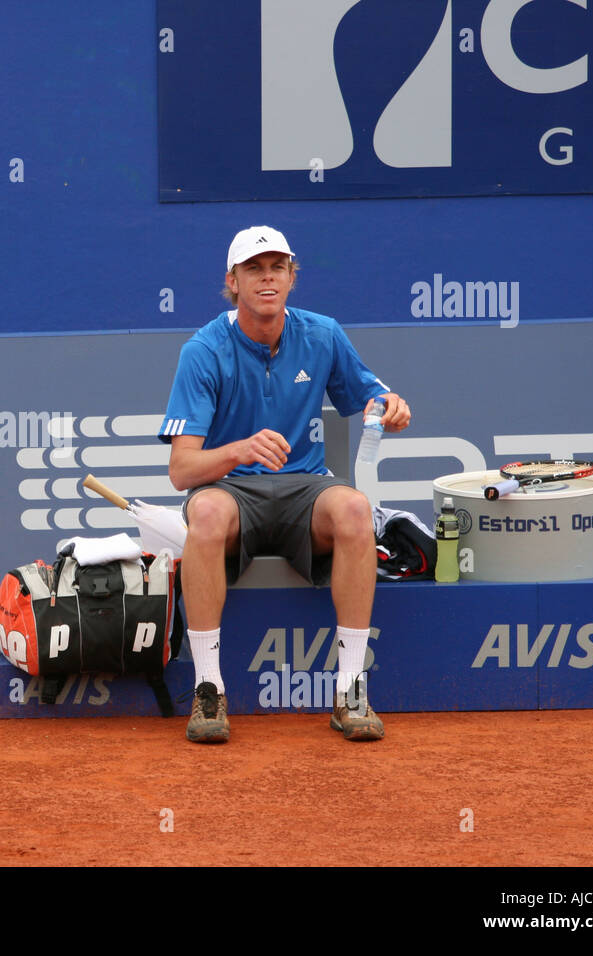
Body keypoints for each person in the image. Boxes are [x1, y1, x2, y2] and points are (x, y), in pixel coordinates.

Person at [158, 226, 412, 744]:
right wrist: (240, 449)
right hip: (230, 493)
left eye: (278, 267)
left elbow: (371, 397)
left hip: (305, 490)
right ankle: (208, 688)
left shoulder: (322, 334)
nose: (267, 277)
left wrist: (391, 406)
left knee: (355, 511)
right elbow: (182, 471)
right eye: (254, 269)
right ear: (232, 281)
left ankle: (351, 688)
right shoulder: (203, 350)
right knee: (203, 514)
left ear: (293, 277)